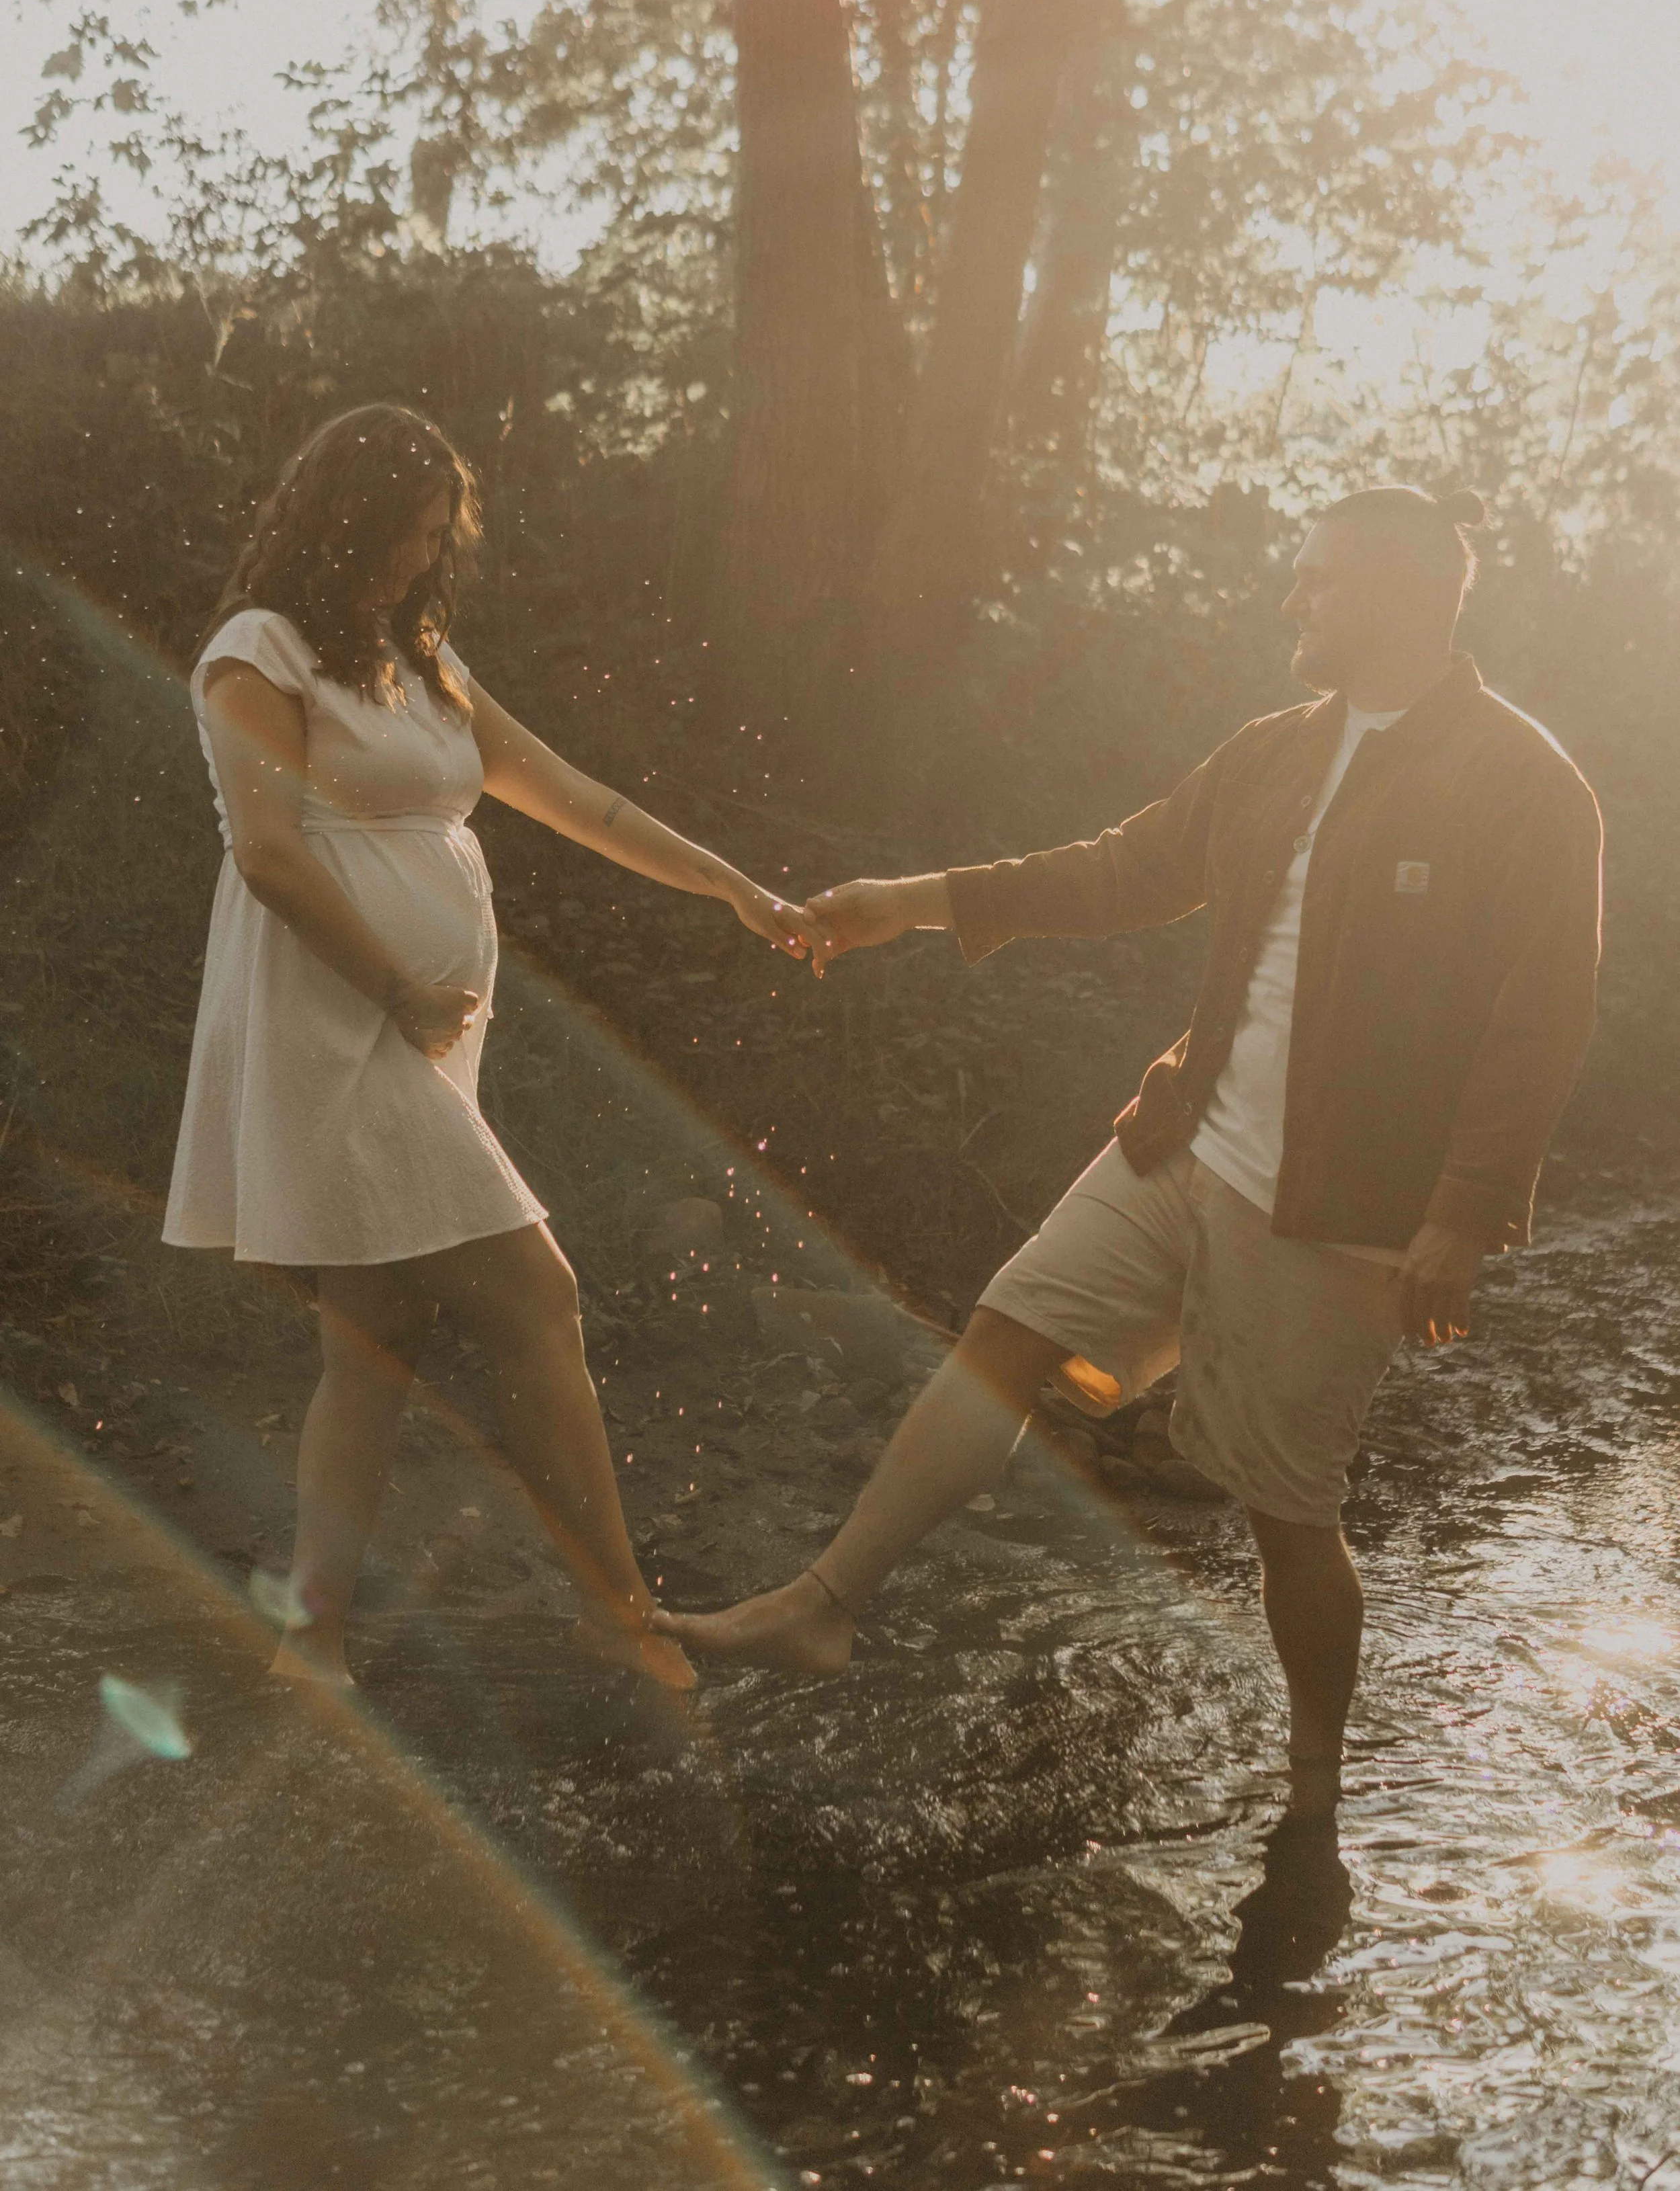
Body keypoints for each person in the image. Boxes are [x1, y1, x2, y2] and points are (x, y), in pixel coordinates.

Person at [659, 487, 1603, 1815]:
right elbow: (1119, 869)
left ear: (1402, 594)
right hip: (1181, 1140)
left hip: (1341, 1211)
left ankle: (1317, 1790)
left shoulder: (1523, 784)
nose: (1291, 600)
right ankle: (822, 1603)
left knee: (1288, 1514)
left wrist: (1463, 1211)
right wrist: (912, 906)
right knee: (1006, 1330)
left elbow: (1540, 1013)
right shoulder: (1272, 750)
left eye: (1317, 580)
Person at [164, 401, 810, 1691]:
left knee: (375, 1337)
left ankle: (312, 1635)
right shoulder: (260, 652)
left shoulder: (422, 657)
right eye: (407, 535)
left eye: (434, 539)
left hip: (411, 1033)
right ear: (344, 519)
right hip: (335, 1021)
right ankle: (621, 1619)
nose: (421, 559)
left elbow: (577, 798)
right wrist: (398, 986)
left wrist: (737, 888)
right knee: (538, 1293)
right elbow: (270, 852)